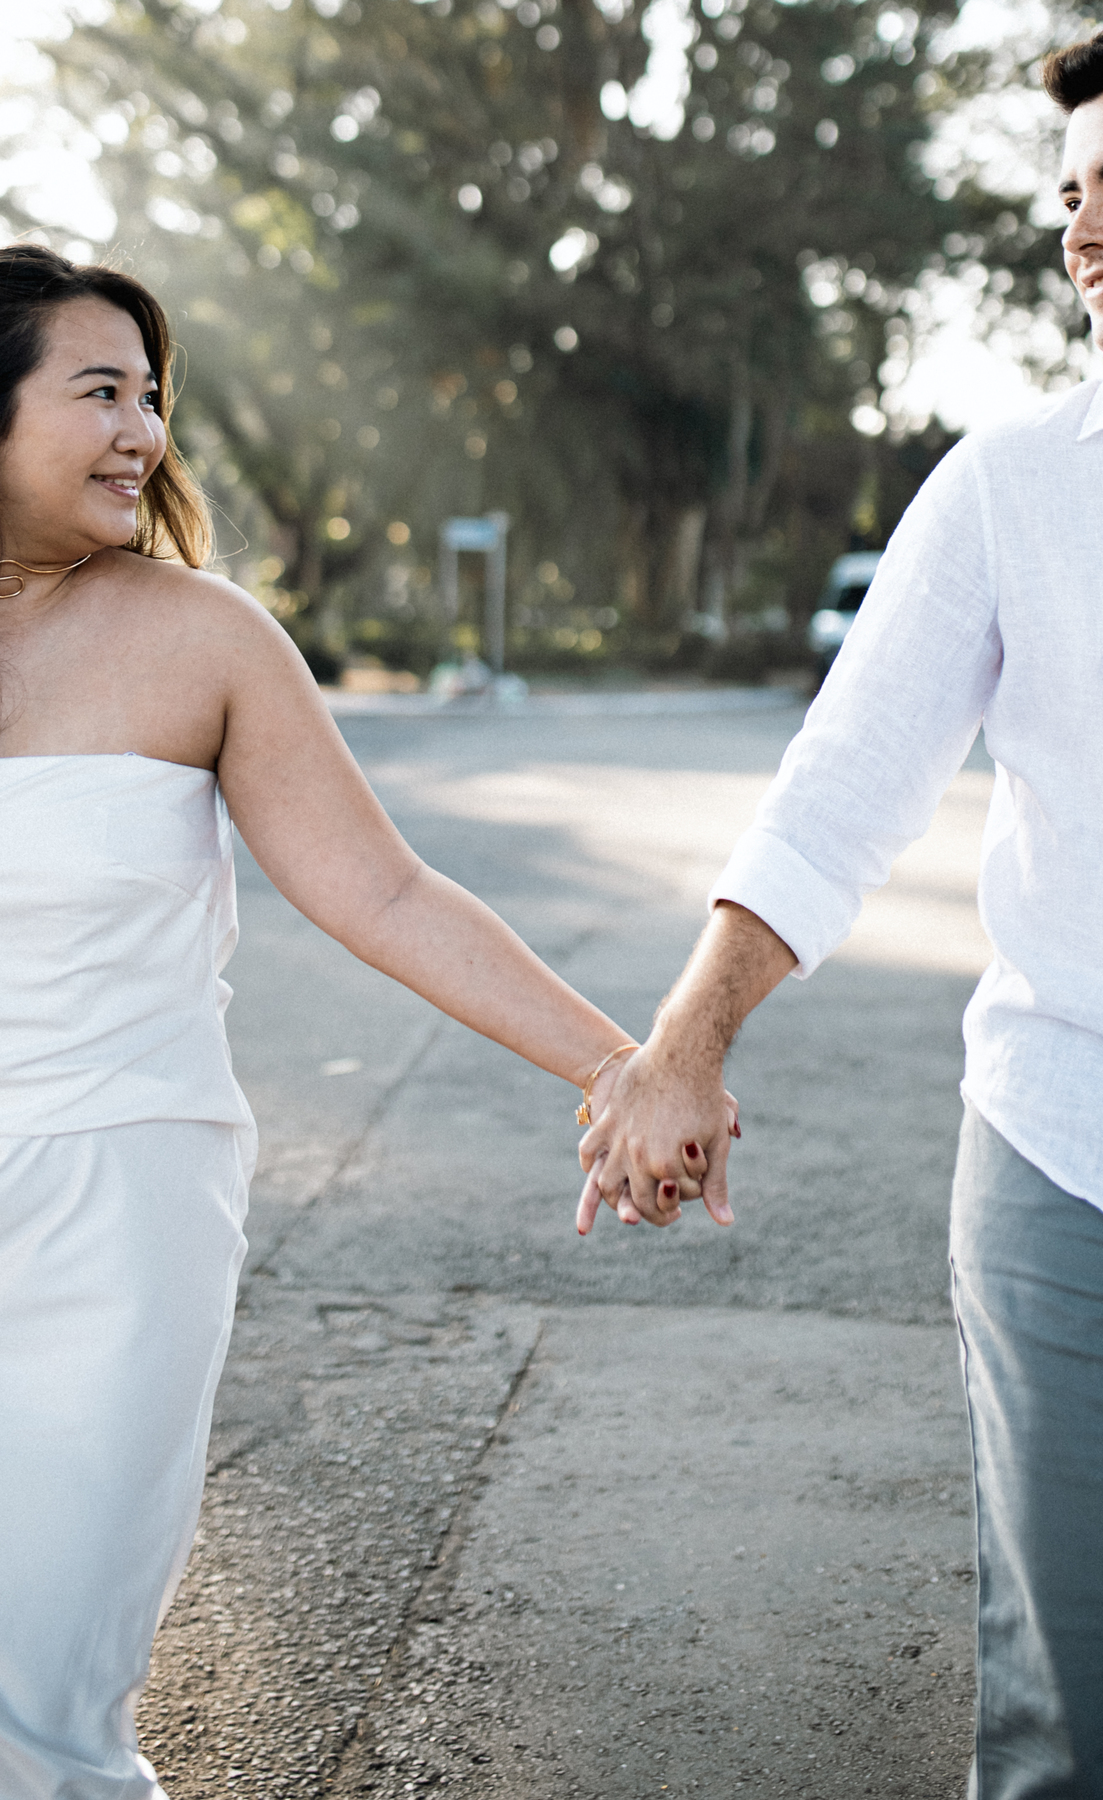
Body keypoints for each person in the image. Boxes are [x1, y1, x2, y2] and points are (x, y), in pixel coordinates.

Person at [0, 241, 735, 1800]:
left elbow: (387, 895)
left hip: (114, 1198)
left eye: (153, 397)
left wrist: (623, 1066)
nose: (144, 433)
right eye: (101, 393)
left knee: (39, 1691)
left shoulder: (204, 640)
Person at [579, 24, 1103, 1800]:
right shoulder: (1015, 485)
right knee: (1076, 1728)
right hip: (1085, 1149)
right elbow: (844, 784)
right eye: (1068, 193)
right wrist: (684, 1046)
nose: (1081, 228)